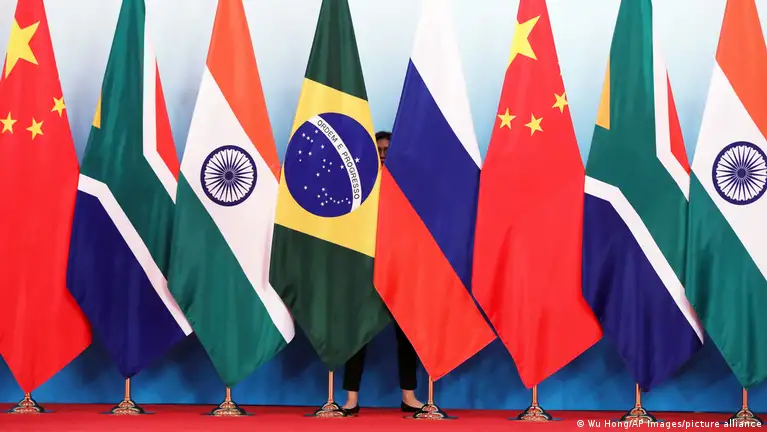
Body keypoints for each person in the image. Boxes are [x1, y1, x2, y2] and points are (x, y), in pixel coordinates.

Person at [340, 131, 424, 415]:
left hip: (400, 270)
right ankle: (351, 399)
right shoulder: (359, 186)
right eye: (378, 150)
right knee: (357, 335)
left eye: (388, 149)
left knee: (406, 335)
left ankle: (409, 396)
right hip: (366, 270)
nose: (383, 154)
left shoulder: (407, 187)